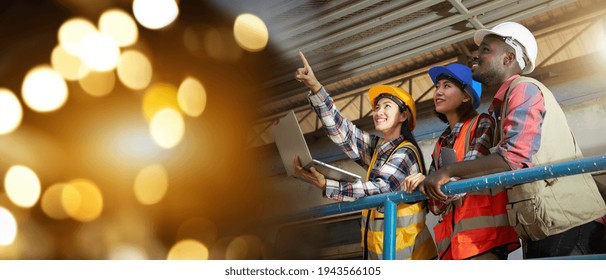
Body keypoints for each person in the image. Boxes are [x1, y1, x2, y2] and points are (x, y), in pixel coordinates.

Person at [420, 22, 606, 259]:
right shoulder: (505, 102)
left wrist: (449, 170)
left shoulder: (523, 89)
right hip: (550, 226)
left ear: (508, 58)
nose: (476, 55)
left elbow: (514, 157)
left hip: (569, 226)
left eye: (486, 50)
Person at [292, 51, 437, 260]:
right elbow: (342, 131)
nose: (378, 112)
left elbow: (381, 188)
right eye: (377, 107)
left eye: (387, 106)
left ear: (403, 116)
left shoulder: (405, 152)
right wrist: (315, 87)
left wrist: (329, 186)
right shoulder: (378, 149)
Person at [402, 63, 520, 259]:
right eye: (437, 86)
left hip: (483, 241)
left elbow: (464, 181)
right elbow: (434, 205)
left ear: (466, 96)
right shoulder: (442, 141)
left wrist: (433, 185)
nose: (438, 92)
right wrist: (425, 184)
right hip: (452, 246)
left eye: (446, 86)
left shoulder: (482, 123)